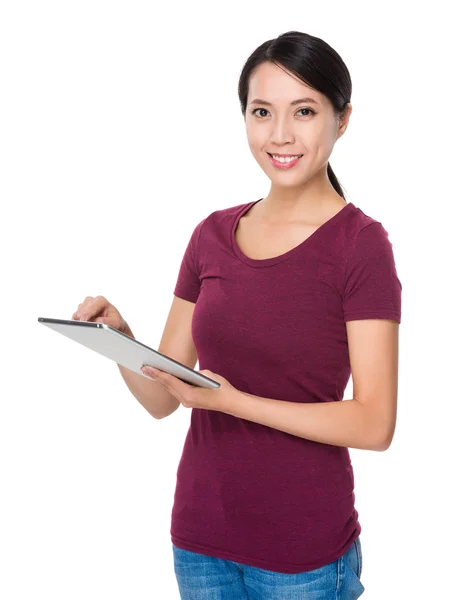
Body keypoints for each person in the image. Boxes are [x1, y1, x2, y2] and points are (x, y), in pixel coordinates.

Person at [73, 30, 401, 599]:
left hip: (304, 555)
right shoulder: (211, 235)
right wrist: (119, 339)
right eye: (261, 112)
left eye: (304, 111)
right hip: (200, 541)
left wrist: (233, 402)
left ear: (342, 120)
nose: (280, 135)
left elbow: (375, 424)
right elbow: (163, 397)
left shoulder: (361, 246)